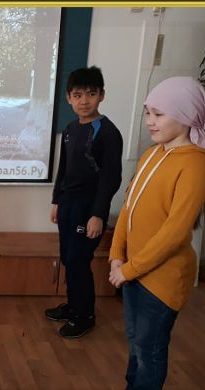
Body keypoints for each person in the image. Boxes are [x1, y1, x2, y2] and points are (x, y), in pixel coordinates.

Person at [90, 76, 205, 390]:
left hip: (160, 279)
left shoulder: (195, 165)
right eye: (147, 113)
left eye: (159, 114)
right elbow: (129, 207)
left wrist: (129, 270)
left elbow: (174, 233)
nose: (150, 121)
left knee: (149, 349)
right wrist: (117, 256)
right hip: (133, 270)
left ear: (186, 115)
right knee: (136, 341)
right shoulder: (151, 154)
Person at [46, 66, 123, 338]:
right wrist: (57, 200)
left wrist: (98, 214)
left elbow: (111, 178)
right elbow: (64, 168)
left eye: (91, 94)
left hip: (88, 208)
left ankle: (85, 315)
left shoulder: (107, 132)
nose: (84, 101)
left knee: (79, 260)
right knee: (69, 257)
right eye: (78, 95)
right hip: (68, 204)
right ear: (69, 98)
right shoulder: (70, 128)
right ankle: (73, 306)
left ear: (101, 95)